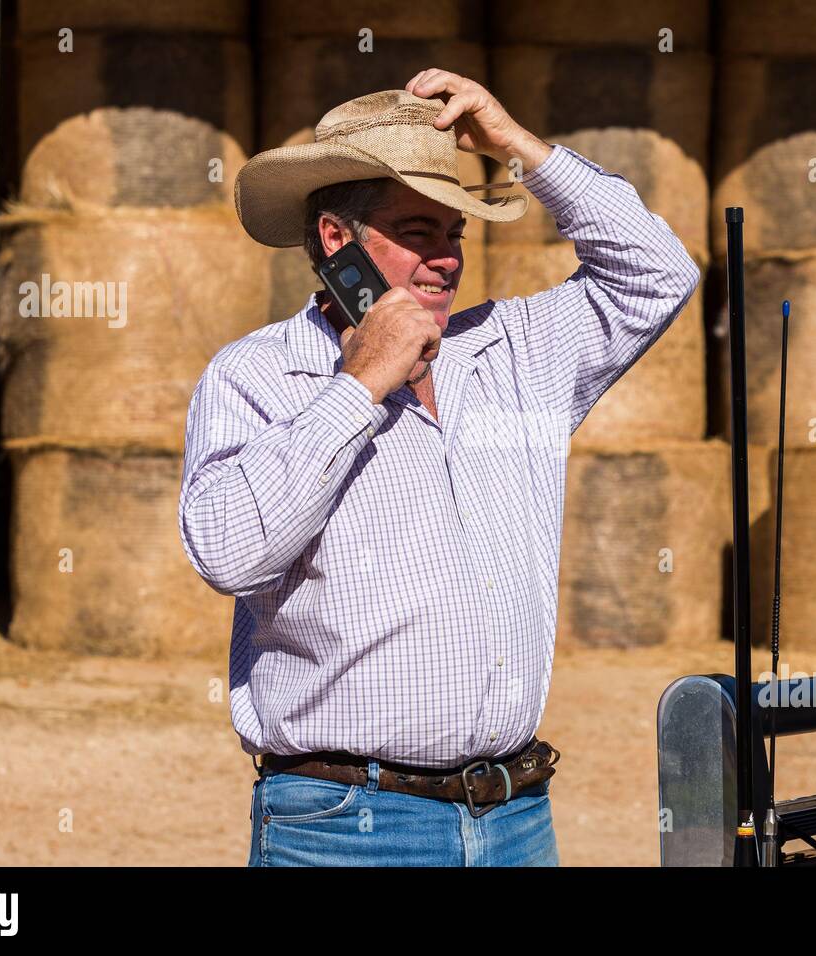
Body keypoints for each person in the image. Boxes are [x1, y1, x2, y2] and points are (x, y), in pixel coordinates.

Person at [178, 69, 700, 866]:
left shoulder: (513, 352)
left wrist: (517, 146)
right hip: (343, 828)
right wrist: (358, 388)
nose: (448, 258)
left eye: (455, 233)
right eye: (420, 231)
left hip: (514, 820)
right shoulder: (258, 376)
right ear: (335, 241)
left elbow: (658, 272)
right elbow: (227, 551)